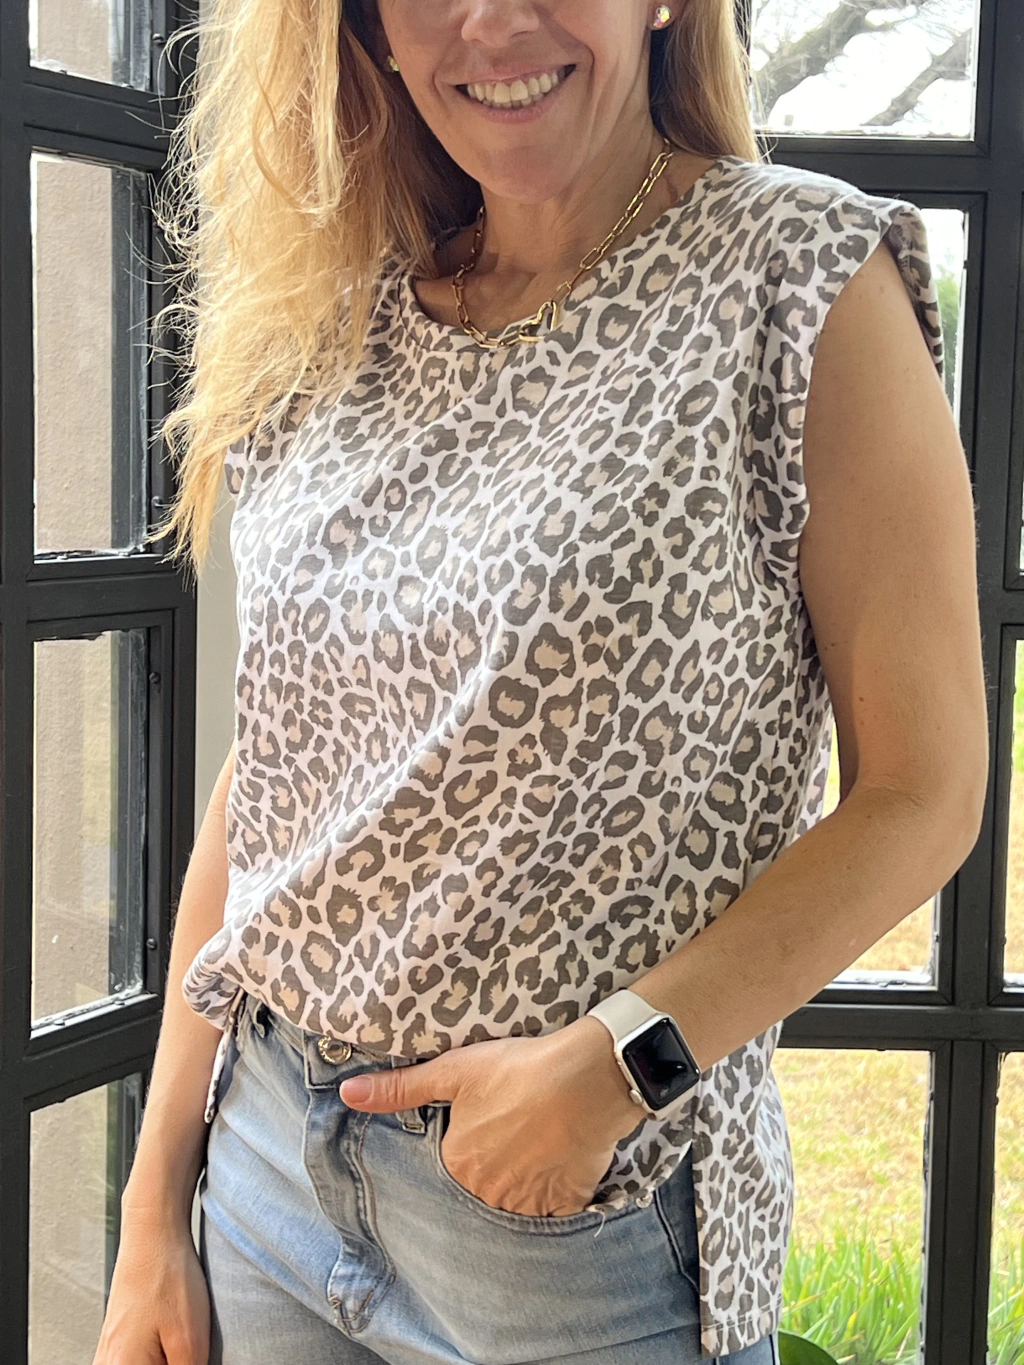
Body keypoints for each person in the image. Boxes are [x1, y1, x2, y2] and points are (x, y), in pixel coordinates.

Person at [93, 1, 988, 1363]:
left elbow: (924, 793)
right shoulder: (342, 306)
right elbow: (275, 780)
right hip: (267, 1165)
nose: (494, 22)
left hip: (572, 1227)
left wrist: (613, 1069)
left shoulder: (794, 272)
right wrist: (154, 1200)